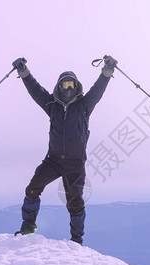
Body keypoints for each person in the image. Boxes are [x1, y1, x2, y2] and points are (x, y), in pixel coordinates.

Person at [12, 55, 117, 245]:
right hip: (52, 161)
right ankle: (28, 227)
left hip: (75, 163)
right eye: (64, 84)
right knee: (32, 189)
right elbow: (35, 90)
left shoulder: (84, 105)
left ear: (77, 86)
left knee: (75, 202)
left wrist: (107, 71)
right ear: (58, 87)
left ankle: (76, 241)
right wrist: (24, 72)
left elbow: (98, 90)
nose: (68, 88)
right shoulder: (51, 105)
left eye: (71, 84)